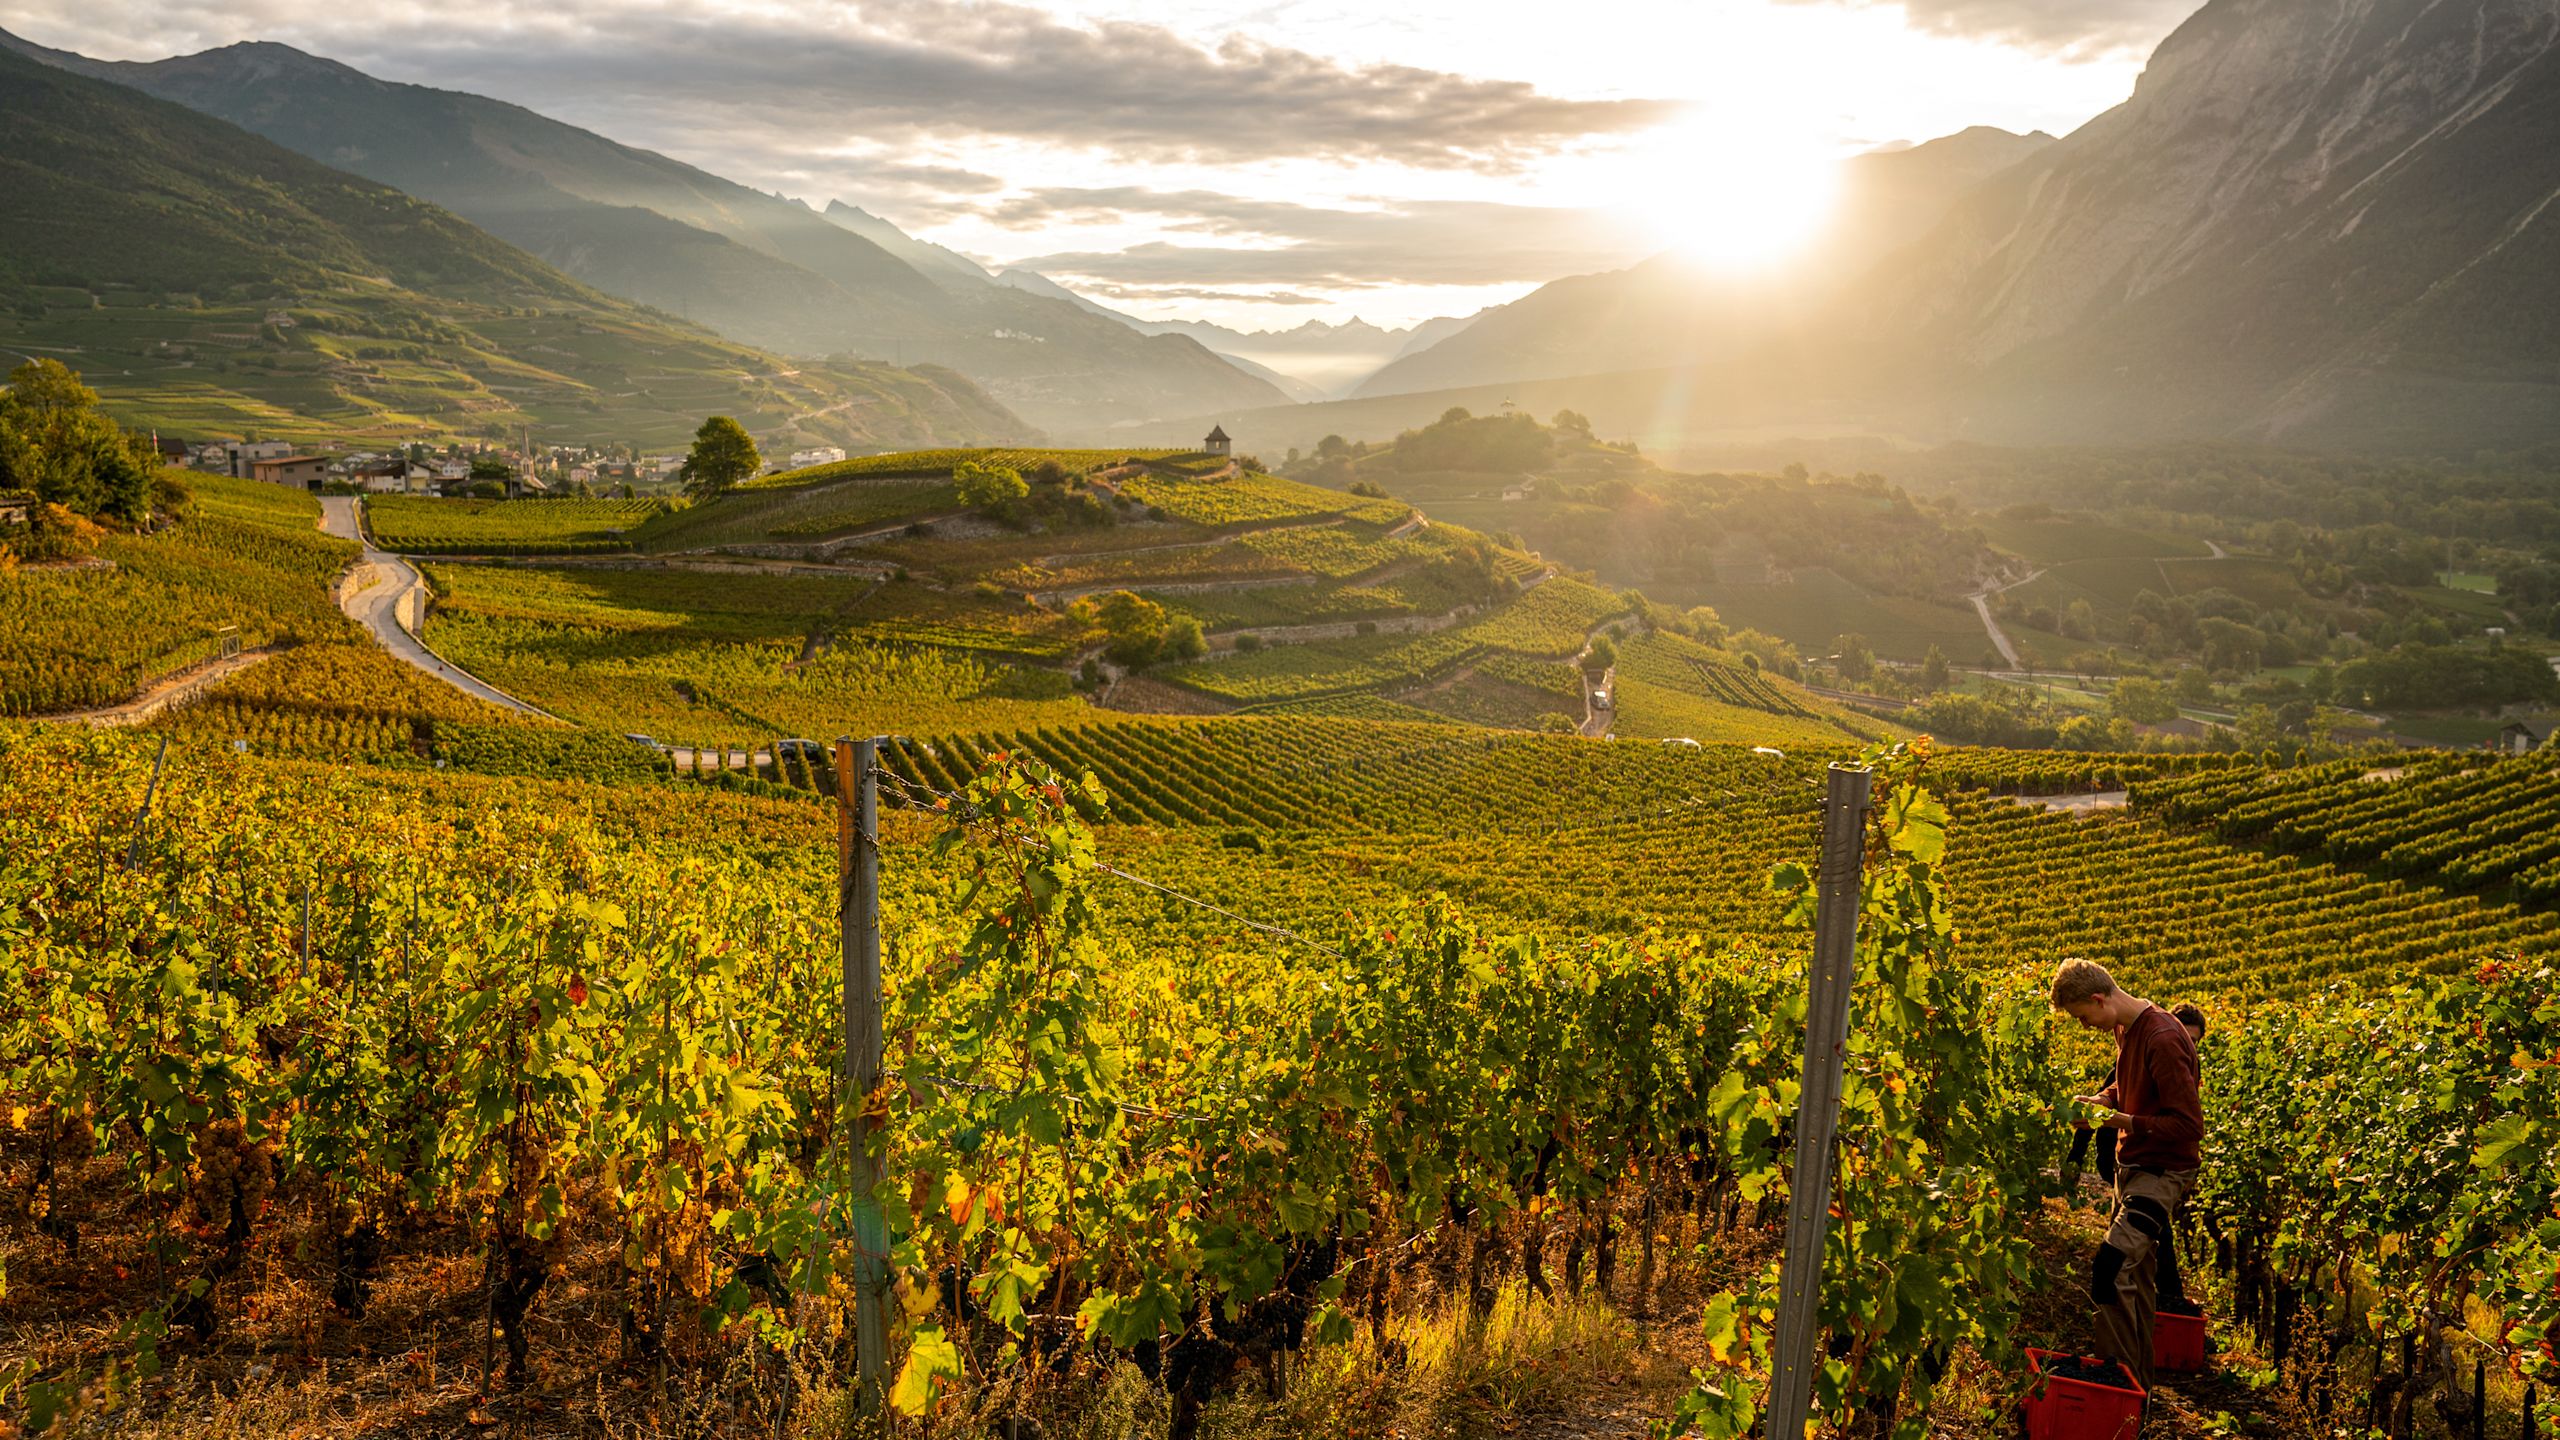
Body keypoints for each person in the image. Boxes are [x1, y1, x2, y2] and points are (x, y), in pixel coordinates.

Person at [2052, 959, 2201, 1391]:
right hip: (2132, 1167)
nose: (2084, 1026)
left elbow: (2188, 1126)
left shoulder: (2163, 1037)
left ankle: (2113, 1383)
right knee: (2134, 1279)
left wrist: (2118, 1121)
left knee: (2110, 1267)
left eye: (2082, 1016)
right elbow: (2128, 1087)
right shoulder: (2125, 1028)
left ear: (2100, 999)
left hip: (2162, 1172)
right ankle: (2137, 1394)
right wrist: (2098, 1102)